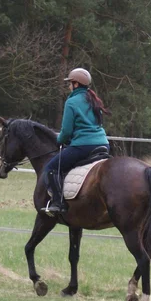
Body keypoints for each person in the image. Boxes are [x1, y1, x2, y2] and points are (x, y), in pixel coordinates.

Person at [42, 68, 110, 213]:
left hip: (83, 146)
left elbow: (66, 131)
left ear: (76, 84)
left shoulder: (71, 102)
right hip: (103, 144)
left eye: (70, 83)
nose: (69, 86)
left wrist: (59, 140)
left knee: (51, 168)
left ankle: (58, 203)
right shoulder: (94, 100)